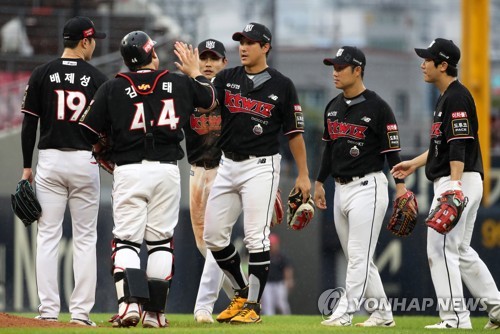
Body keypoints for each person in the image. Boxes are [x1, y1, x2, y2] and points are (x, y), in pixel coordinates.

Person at [78, 31, 216, 328]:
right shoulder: (178, 82)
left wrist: (106, 146)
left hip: (129, 169)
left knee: (126, 241)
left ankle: (129, 305)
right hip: (166, 170)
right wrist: (194, 73)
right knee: (160, 243)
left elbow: (86, 131)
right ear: (151, 53)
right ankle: (155, 313)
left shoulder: (113, 87)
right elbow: (209, 99)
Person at [203, 22, 311, 324]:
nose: (243, 47)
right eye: (241, 41)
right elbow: (205, 101)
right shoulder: (227, 77)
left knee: (256, 237)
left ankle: (252, 306)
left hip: (261, 166)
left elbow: (295, 134)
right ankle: (241, 291)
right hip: (228, 164)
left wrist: (303, 175)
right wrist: (191, 76)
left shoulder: (282, 84)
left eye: (251, 42)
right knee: (213, 235)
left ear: (265, 47)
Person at [391, 38, 500, 330]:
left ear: (443, 65)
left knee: (440, 251)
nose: (422, 64)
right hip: (463, 179)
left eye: (428, 59)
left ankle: (454, 319)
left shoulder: (456, 97)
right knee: (461, 251)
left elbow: (460, 144)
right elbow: (444, 145)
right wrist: (414, 163)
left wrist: (453, 186)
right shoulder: (447, 97)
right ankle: (498, 307)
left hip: (459, 179)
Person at [19, 16, 107, 326]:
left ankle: (48, 312)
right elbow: (106, 130)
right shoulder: (97, 77)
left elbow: (29, 123)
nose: (95, 44)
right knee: (85, 239)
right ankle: (80, 315)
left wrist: (27, 167)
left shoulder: (42, 73)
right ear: (84, 41)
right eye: (93, 39)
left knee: (48, 237)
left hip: (51, 160)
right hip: (84, 161)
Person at [314, 46, 410, 328]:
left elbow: (393, 153)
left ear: (358, 70)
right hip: (340, 189)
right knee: (361, 259)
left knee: (357, 257)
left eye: (341, 67)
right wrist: (319, 182)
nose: (335, 72)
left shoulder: (379, 107)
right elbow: (328, 151)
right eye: (333, 67)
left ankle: (345, 313)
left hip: (369, 187)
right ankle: (382, 314)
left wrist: (401, 187)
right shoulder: (332, 107)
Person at [183, 38, 234, 324]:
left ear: (224, 63)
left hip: (222, 169)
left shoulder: (227, 91)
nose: (208, 62)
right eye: (204, 57)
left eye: (214, 58)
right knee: (205, 247)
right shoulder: (189, 91)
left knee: (216, 241)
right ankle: (242, 293)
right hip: (195, 170)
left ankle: (203, 307)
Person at [260, 233, 294, 315]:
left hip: (279, 283)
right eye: (270, 244)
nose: (272, 246)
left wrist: (289, 280)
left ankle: (287, 318)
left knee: (281, 303)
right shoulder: (264, 256)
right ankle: (270, 321)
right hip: (267, 284)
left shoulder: (281, 256)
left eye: (273, 244)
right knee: (268, 304)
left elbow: (287, 269)